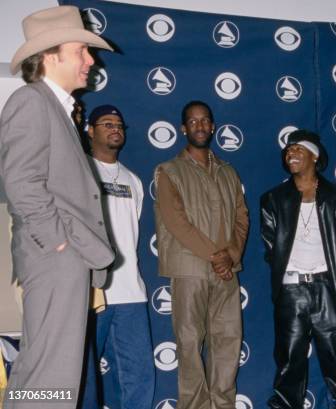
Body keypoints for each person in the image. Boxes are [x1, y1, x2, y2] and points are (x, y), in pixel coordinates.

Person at [0, 6, 115, 408]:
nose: (91, 60)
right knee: (53, 376)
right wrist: (60, 244)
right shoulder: (32, 102)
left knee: (41, 375)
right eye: (82, 50)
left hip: (60, 259)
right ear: (51, 55)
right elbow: (20, 182)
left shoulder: (56, 110)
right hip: (55, 258)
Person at [260, 130, 336, 409]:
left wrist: (324, 278)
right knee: (289, 357)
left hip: (325, 287)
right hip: (290, 288)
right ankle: (286, 405)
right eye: (288, 151)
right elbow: (271, 249)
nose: (290, 155)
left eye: (298, 150)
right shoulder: (272, 199)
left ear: (315, 155)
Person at [154, 100, 249, 409]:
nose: (199, 126)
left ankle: (223, 404)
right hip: (190, 269)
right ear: (183, 128)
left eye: (204, 120)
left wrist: (231, 255)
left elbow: (241, 218)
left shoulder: (228, 171)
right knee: (190, 343)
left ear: (213, 126)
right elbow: (176, 222)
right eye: (192, 121)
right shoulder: (169, 171)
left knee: (228, 341)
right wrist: (217, 256)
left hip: (226, 272)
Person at [79, 105, 154, 408]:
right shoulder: (77, 171)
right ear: (90, 130)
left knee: (139, 376)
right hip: (90, 293)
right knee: (81, 377)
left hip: (131, 294)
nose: (115, 129)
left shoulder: (133, 181)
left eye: (120, 124)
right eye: (107, 123)